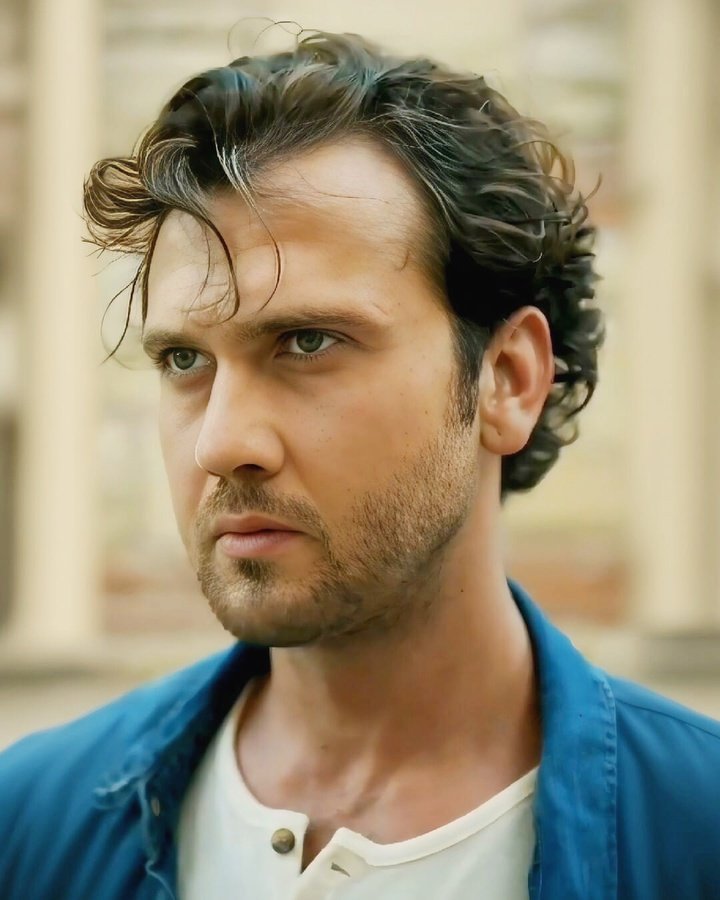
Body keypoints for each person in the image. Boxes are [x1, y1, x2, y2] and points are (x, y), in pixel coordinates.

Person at [1, 29, 719, 900]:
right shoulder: (32, 827)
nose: (221, 443)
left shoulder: (693, 832)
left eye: (307, 342)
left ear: (507, 379)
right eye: (185, 361)